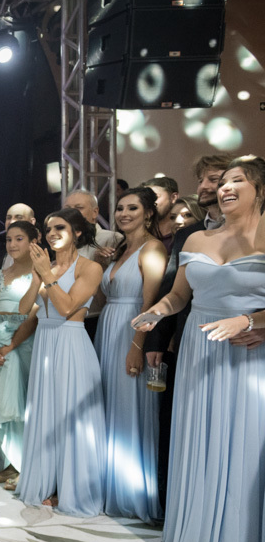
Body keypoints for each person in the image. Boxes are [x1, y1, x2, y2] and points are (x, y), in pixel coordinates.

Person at [137, 156, 265, 542]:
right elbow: (179, 297)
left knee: (246, 444)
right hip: (199, 351)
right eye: (222, 182)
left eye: (237, 181)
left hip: (250, 354)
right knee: (200, 438)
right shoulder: (194, 240)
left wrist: (250, 320)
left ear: (259, 188)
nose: (225, 188)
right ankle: (198, 534)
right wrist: (155, 312)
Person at [144, 153, 239, 508]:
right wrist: (156, 337)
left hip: (242, 337)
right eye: (202, 180)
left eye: (214, 179)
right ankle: (177, 505)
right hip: (187, 339)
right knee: (181, 424)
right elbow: (174, 289)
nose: (206, 187)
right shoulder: (192, 235)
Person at [16, 208, 107, 516]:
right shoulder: (46, 266)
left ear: (78, 232)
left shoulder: (91, 268)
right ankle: (48, 484)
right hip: (44, 342)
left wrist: (47, 275)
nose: (52, 232)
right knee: (47, 416)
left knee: (70, 418)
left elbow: (68, 307)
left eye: (60, 227)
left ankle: (72, 490)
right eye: (48, 228)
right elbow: (26, 308)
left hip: (71, 342)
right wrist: (37, 274)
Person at [90, 187, 166, 523]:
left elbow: (150, 306)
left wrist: (138, 348)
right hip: (108, 330)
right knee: (108, 411)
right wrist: (98, 264)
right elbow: (100, 300)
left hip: (132, 333)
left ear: (148, 213)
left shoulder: (153, 249)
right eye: (119, 208)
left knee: (131, 410)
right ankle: (109, 489)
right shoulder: (119, 249)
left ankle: (134, 495)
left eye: (132, 208)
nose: (123, 214)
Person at [0, 220, 38, 487]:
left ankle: (21, 464)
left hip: (23, 342)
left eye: (19, 239)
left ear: (33, 241)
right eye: (9, 239)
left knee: (18, 404)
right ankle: (4, 463)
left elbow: (34, 314)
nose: (13, 245)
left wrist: (11, 344)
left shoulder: (40, 273)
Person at [63, 189, 121, 268]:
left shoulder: (112, 238)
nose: (72, 212)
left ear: (95, 212)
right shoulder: (63, 241)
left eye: (79, 208)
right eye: (67, 209)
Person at [146, 176, 180, 253]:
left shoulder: (183, 232)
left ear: (173, 197)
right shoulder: (142, 232)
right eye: (146, 199)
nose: (149, 202)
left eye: (155, 197)